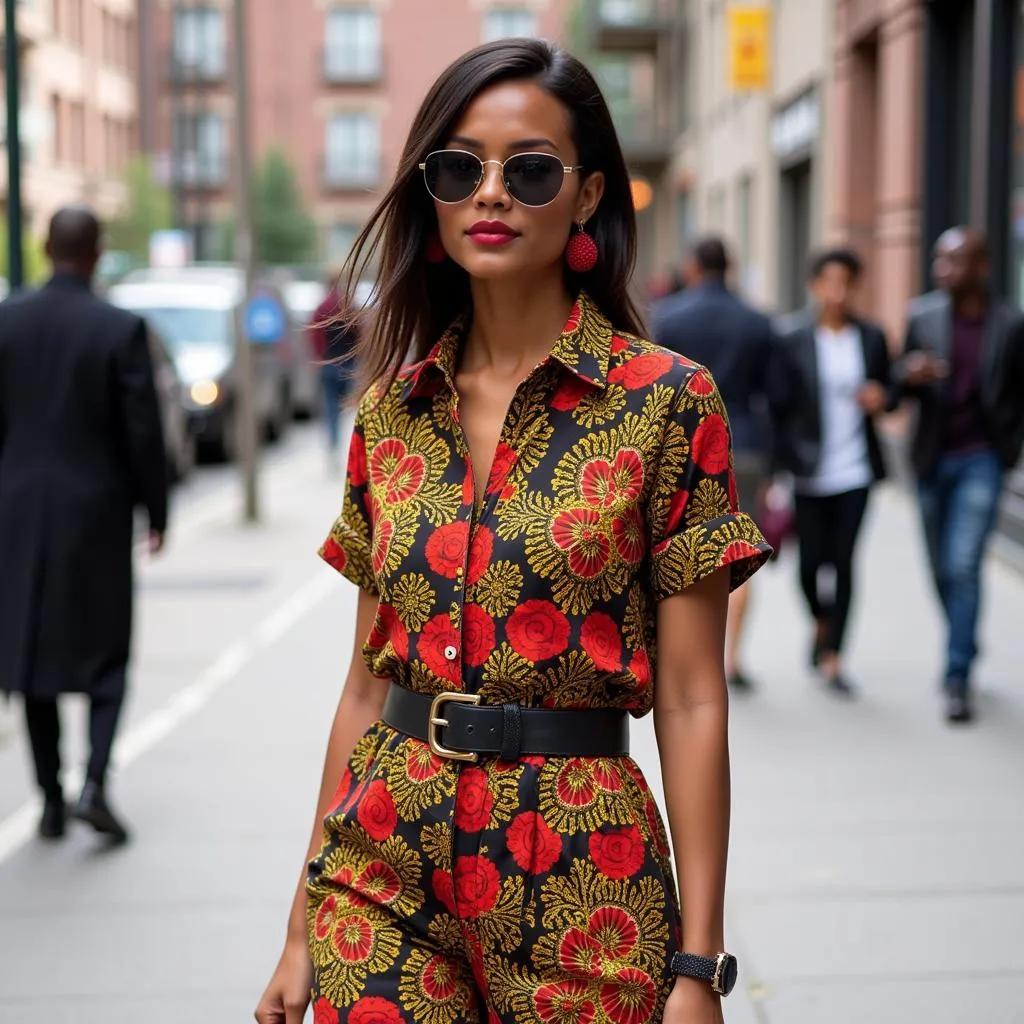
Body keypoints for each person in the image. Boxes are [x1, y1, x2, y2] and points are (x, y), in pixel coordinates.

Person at [255, 39, 770, 1024]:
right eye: (459, 169)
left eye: (527, 170)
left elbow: (696, 697)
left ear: (584, 197)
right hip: (382, 869)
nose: (489, 194)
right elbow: (365, 684)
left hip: (582, 870)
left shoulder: (669, 403)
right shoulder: (388, 414)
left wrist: (699, 966)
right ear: (430, 195)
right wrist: (297, 925)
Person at [0, 206, 168, 842]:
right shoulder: (118, 329)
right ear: (96, 253)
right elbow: (143, 433)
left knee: (32, 661)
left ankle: (48, 800)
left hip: (16, 516)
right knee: (107, 658)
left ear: (45, 248)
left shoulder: (6, 323)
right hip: (95, 517)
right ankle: (95, 783)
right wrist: (156, 511)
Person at [894, 227, 1024, 723]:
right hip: (931, 459)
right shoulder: (921, 316)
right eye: (938, 260)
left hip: (982, 459)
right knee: (941, 568)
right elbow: (896, 381)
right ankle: (964, 636)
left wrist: (1009, 448)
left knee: (964, 564)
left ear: (983, 267)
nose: (942, 270)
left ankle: (957, 675)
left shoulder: (1010, 324)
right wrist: (911, 372)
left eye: (953, 261)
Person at [652, 236, 775, 692]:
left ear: (692, 266)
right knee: (734, 551)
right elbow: (775, 395)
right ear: (731, 266)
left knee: (681, 557)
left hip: (679, 447)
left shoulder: (667, 316)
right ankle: (732, 657)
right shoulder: (758, 322)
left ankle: (685, 658)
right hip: (746, 443)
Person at [771, 249, 891, 696]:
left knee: (842, 563)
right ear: (815, 286)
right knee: (807, 569)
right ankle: (822, 622)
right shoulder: (793, 338)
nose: (838, 292)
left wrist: (883, 397)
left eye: (847, 282)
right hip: (807, 471)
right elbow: (779, 409)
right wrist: (776, 471)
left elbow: (890, 389)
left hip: (856, 471)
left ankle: (835, 657)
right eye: (830, 281)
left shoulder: (872, 337)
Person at [309, 267, 360, 470]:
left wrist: (318, 358)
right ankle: (348, 447)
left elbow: (315, 336)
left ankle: (333, 446)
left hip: (328, 364)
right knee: (348, 407)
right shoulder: (349, 305)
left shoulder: (322, 307)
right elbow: (359, 334)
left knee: (331, 409)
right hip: (348, 364)